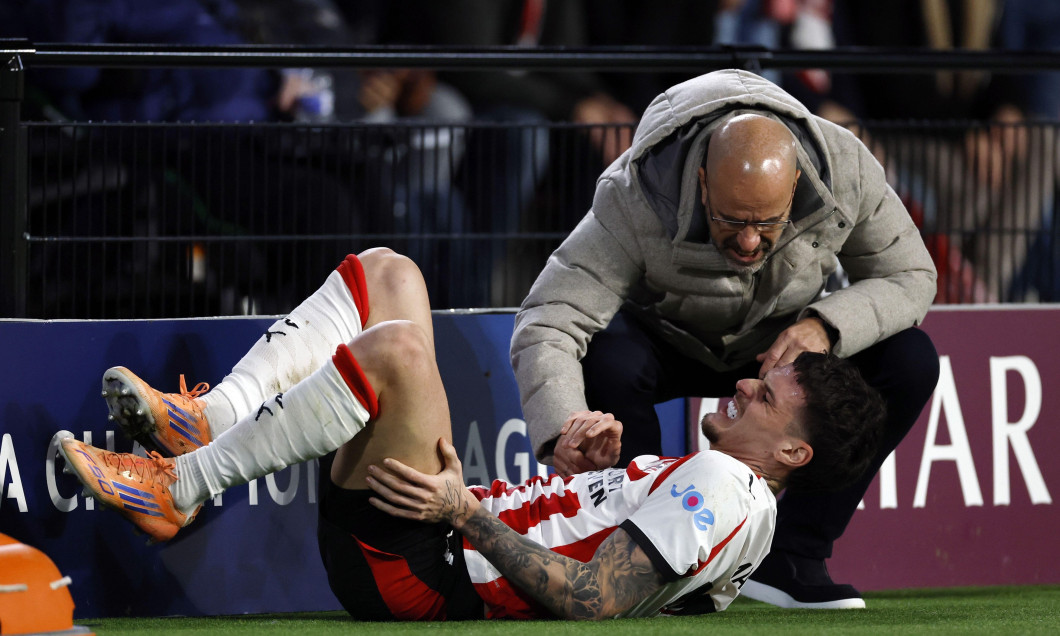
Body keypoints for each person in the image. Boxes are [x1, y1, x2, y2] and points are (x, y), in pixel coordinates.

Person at [57, 248, 885, 620]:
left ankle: (184, 483)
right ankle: (215, 420)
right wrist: (587, 472)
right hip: (435, 532)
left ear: (792, 454)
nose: (744, 381)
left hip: (427, 567)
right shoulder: (752, 507)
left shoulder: (722, 489)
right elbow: (698, 591)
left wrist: (466, 513)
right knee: (390, 274)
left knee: (398, 352)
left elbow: (600, 602)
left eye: (767, 395)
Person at [510, 69, 941, 609]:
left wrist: (826, 325)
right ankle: (646, 561)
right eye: (731, 220)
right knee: (608, 360)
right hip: (664, 342)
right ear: (702, 183)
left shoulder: (845, 168)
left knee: (911, 359)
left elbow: (912, 276)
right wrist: (565, 428)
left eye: (769, 223)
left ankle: (792, 557)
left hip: (782, 354)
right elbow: (550, 317)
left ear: (795, 187)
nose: (749, 241)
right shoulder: (635, 192)